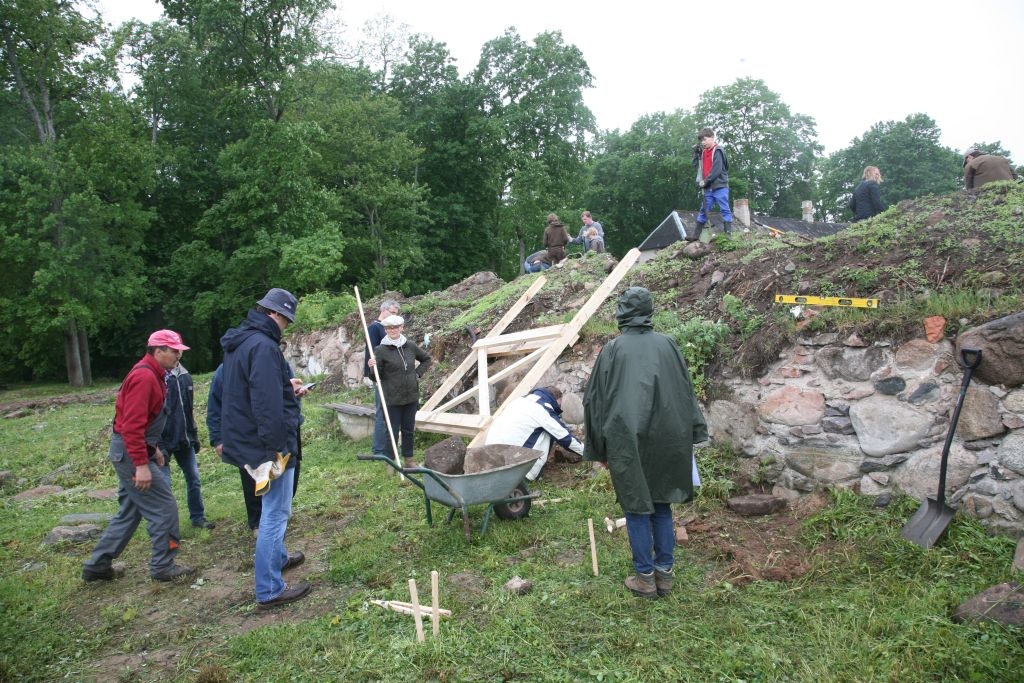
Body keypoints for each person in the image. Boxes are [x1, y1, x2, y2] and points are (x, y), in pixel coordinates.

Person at [583, 287, 708, 599]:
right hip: (669, 439)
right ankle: (664, 575)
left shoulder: (612, 350)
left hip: (626, 442)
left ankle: (645, 579)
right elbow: (686, 392)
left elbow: (594, 402)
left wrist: (599, 447)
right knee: (662, 503)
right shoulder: (669, 345)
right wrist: (693, 432)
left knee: (637, 507)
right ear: (649, 311)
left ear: (622, 312)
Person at [82, 330, 196, 583]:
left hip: (132, 449)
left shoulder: (154, 374)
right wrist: (141, 465)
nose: (178, 354)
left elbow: (138, 423)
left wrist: (152, 448)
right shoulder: (145, 377)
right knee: (164, 507)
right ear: (158, 351)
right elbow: (131, 426)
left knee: (131, 511)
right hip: (131, 454)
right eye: (174, 350)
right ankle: (163, 566)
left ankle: (97, 565)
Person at [220, 288, 309, 609]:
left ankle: (279, 557)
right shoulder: (264, 347)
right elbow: (266, 405)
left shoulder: (244, 342)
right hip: (268, 446)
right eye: (286, 320)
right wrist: (277, 449)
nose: (286, 326)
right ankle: (270, 588)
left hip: (247, 440)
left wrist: (288, 387)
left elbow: (251, 391)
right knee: (276, 512)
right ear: (276, 314)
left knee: (273, 508)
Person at [208, 363, 309, 533]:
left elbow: (289, 392)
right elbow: (215, 404)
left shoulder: (279, 362)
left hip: (285, 429)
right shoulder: (227, 368)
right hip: (250, 434)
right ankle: (257, 522)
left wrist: (296, 396)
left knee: (290, 471)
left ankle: (278, 515)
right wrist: (217, 438)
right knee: (253, 478)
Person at [368, 314, 432, 469]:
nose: (393, 330)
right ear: (385, 330)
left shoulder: (410, 346)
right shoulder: (381, 350)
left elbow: (427, 359)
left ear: (402, 328)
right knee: (392, 431)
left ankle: (409, 460)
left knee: (408, 429)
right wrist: (372, 367)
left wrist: (417, 374)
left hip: (411, 396)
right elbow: (377, 377)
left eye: (396, 327)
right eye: (390, 328)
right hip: (391, 398)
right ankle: (391, 462)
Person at [483, 386, 584, 481]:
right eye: (559, 404)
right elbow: (565, 438)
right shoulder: (543, 408)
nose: (559, 408)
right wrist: (589, 453)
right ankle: (530, 474)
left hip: (490, 460)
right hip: (513, 468)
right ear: (555, 399)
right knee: (551, 432)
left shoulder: (520, 400)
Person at [158, 360, 215, 529]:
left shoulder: (185, 376)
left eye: (179, 351)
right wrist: (157, 445)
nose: (178, 354)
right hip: (162, 441)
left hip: (185, 439)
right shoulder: (156, 378)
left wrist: (194, 435)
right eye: (174, 350)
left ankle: (198, 517)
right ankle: (167, 527)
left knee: (194, 478)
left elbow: (189, 410)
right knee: (165, 485)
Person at [363, 300, 401, 458]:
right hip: (380, 376)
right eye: (392, 313)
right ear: (383, 311)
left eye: (396, 314)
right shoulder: (374, 328)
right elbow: (373, 353)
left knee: (389, 411)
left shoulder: (387, 329)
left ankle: (387, 448)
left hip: (391, 376)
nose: (394, 317)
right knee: (382, 412)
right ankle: (379, 450)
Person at [692, 127, 733, 237]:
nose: (703, 142)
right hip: (708, 187)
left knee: (724, 208)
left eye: (705, 139)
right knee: (704, 210)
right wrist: (696, 155)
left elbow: (717, 169)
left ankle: (728, 234)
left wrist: (706, 181)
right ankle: (696, 235)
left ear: (712, 137)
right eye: (701, 140)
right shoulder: (703, 153)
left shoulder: (718, 150)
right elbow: (697, 167)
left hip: (720, 186)